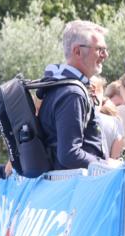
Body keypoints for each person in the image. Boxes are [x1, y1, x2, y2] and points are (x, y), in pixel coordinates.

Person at [36, 20, 117, 170]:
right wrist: (105, 165)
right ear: (77, 51)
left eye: (105, 49)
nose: (105, 55)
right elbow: (69, 154)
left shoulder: (60, 87)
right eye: (100, 49)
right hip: (73, 182)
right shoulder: (73, 94)